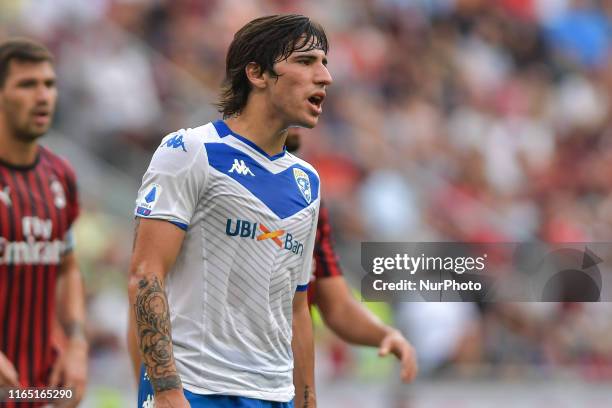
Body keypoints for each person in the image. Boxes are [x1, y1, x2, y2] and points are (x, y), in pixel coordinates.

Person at [128, 14, 332, 408]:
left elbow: (296, 305)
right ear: (256, 73)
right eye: (306, 62)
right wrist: (168, 390)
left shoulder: (308, 182)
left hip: (275, 395)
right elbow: (145, 273)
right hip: (196, 389)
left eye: (324, 63)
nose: (324, 77)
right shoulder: (191, 152)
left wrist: (307, 400)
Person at [285, 129, 418, 384]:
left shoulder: (311, 206)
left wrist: (385, 335)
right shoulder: (209, 166)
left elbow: (337, 307)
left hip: (286, 387)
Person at [0, 39, 87, 407]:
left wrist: (77, 344)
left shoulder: (60, 175)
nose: (43, 96)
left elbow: (66, 267)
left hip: (36, 389)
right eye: (26, 84)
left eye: (49, 85)